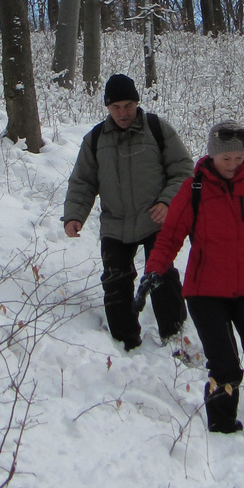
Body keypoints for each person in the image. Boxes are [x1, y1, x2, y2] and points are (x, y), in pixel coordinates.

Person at [143, 120, 244, 435]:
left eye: (239, 158)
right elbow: (170, 236)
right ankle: (222, 426)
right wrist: (154, 271)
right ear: (212, 155)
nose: (233, 164)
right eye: (226, 158)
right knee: (225, 366)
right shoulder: (193, 190)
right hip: (205, 293)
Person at [63, 74, 194, 351]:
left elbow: (183, 170)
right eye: (116, 107)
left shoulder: (157, 129)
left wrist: (167, 202)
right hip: (115, 223)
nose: (122, 113)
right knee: (115, 281)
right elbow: (83, 181)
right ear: (108, 108)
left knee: (162, 277)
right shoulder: (96, 139)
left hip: (155, 219)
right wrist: (75, 215)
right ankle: (126, 343)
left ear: (137, 102)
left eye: (128, 105)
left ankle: (174, 337)